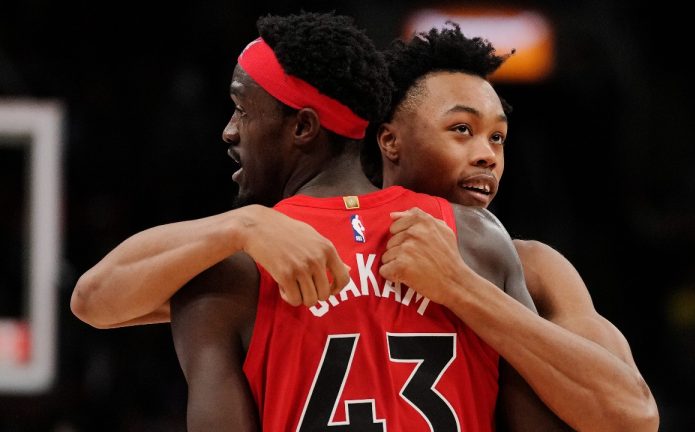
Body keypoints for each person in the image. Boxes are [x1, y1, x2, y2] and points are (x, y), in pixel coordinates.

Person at [73, 12, 547, 431]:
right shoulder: (476, 238)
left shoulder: (231, 271)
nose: (230, 130)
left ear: (301, 127)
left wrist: (239, 228)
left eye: (242, 109)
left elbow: (92, 300)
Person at [369, 24, 659, 431]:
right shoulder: (325, 243)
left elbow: (633, 417)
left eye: (498, 137)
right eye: (462, 130)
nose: (488, 155)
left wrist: (459, 286)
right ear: (390, 141)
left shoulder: (536, 268)